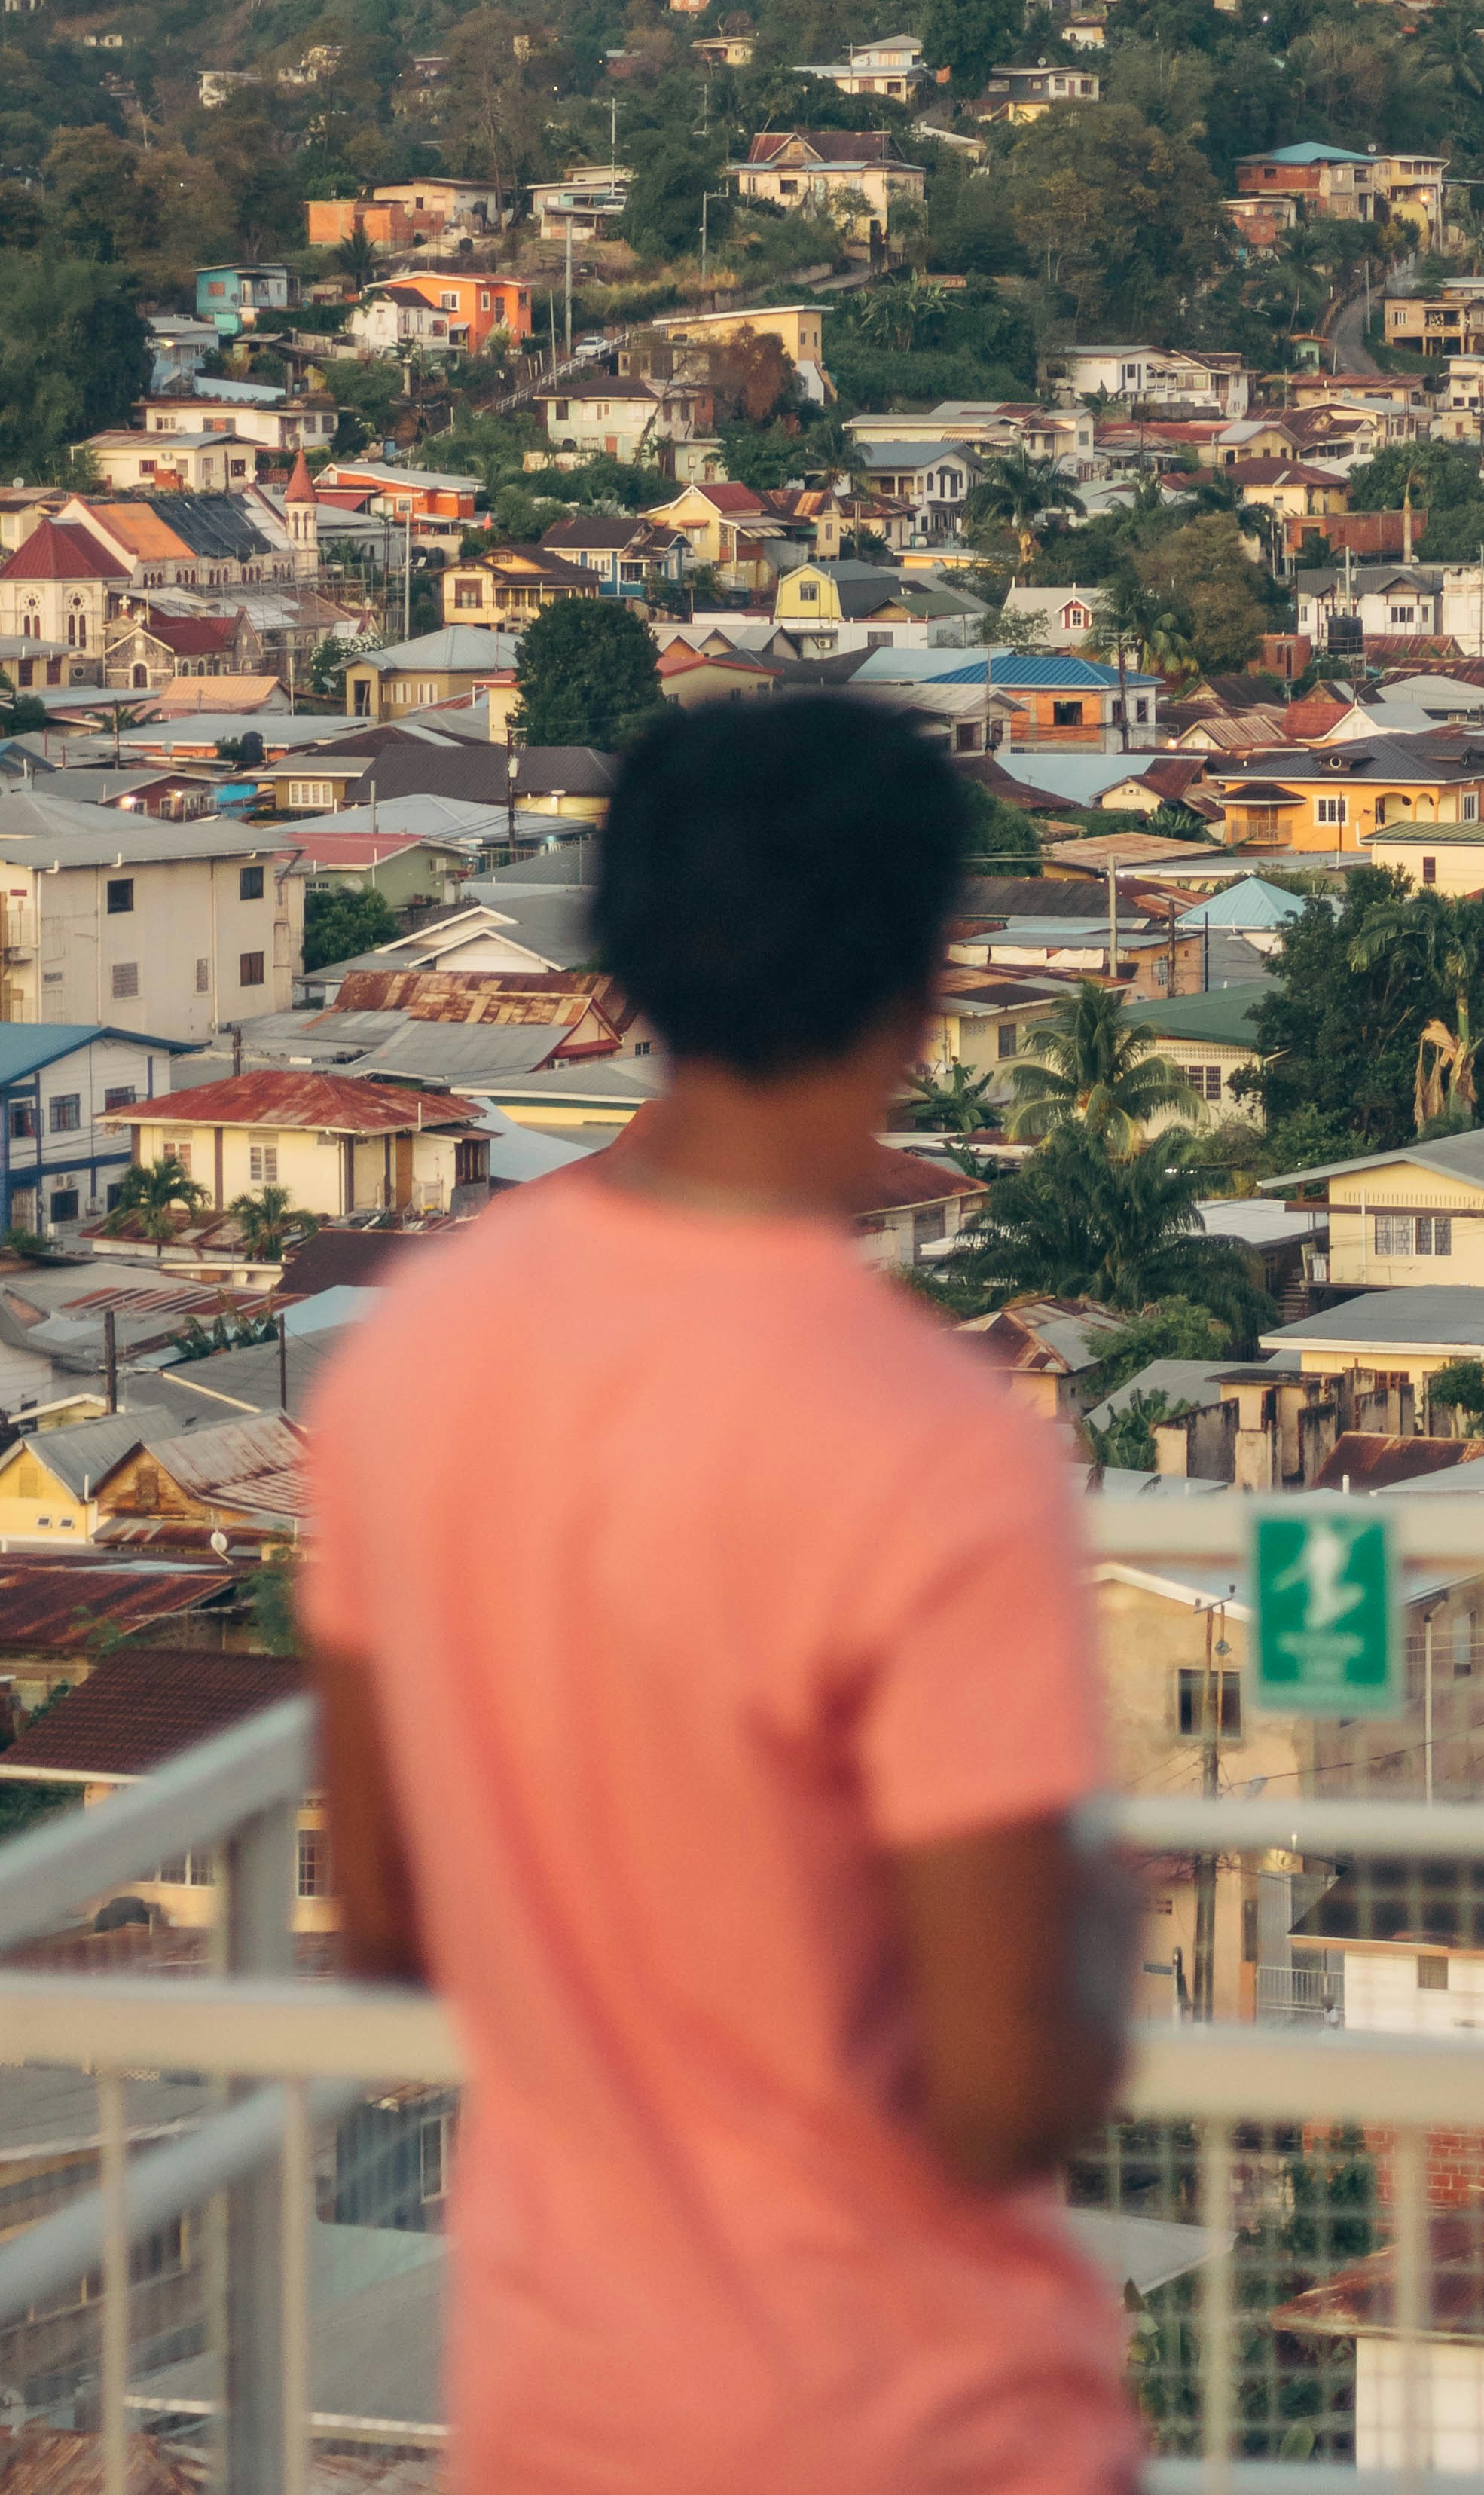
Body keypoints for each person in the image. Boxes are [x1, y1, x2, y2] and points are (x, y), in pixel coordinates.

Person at [303, 695, 1140, 2495]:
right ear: (925, 982)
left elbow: (381, 1912)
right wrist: (1100, 1927)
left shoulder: (411, 1364)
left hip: (561, 2405)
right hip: (913, 2419)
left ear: (622, 965)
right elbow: (1005, 2088)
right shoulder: (936, 1447)